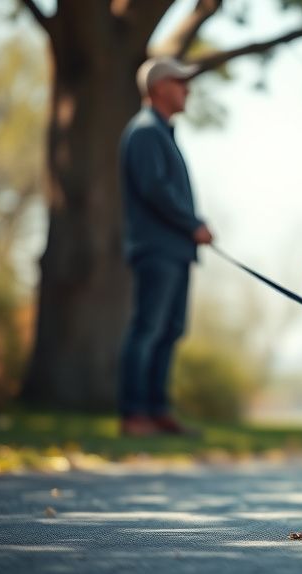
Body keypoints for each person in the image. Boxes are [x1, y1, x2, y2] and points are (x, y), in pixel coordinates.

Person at [118, 56, 213, 436]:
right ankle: (134, 415)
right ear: (159, 88)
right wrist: (193, 224)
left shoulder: (161, 132)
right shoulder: (145, 132)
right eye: (180, 82)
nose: (187, 89)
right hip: (157, 251)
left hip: (174, 252)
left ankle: (157, 412)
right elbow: (155, 190)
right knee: (148, 329)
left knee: (169, 330)